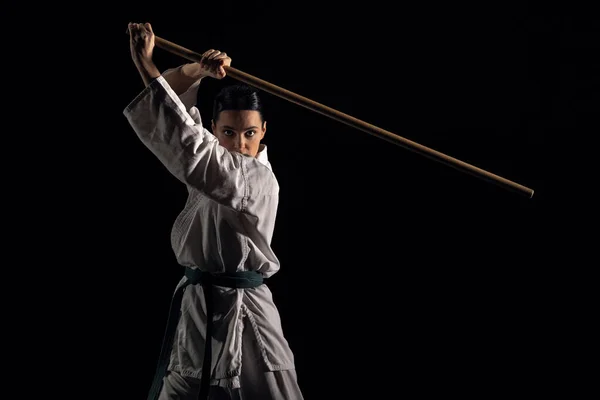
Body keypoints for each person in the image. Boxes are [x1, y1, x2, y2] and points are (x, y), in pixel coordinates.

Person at [123, 22, 304, 400]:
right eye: (228, 133)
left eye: (249, 133)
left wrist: (145, 63)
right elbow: (179, 116)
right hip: (198, 311)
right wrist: (196, 71)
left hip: (247, 317)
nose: (239, 144)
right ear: (214, 128)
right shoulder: (217, 157)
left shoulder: (257, 179)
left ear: (264, 131)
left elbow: (190, 150)